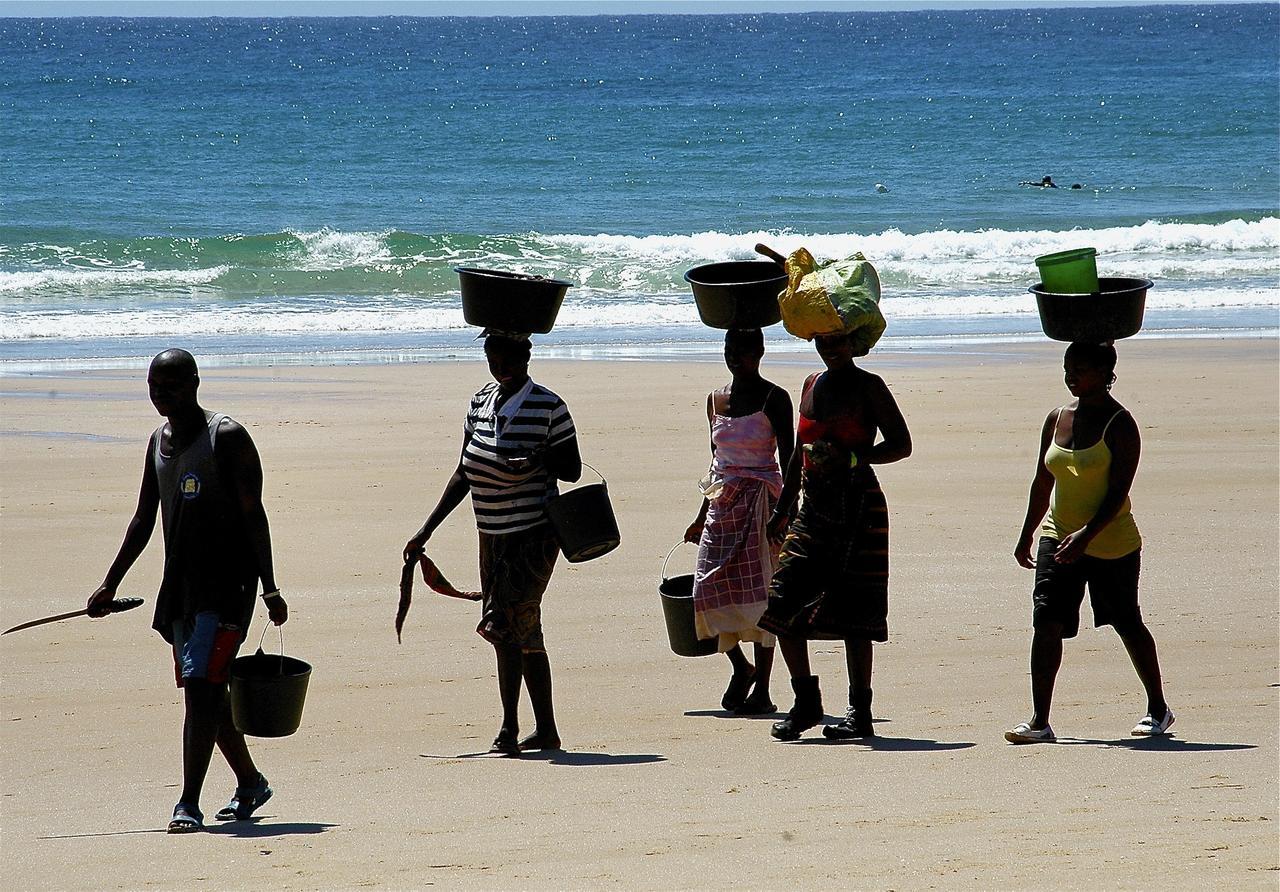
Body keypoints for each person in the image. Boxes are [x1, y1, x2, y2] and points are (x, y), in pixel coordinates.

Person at [87, 348, 288, 833]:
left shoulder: (228, 437)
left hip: (228, 586)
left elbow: (252, 514)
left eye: (171, 386)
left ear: (195, 383)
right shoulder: (158, 442)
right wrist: (108, 583)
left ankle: (188, 803)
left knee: (200, 690)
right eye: (154, 386)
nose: (161, 395)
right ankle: (251, 782)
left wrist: (270, 586)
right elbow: (143, 519)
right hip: (180, 588)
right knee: (209, 694)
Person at [404, 331, 581, 756]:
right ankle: (545, 730)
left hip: (533, 536)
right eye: (492, 356)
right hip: (491, 534)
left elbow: (572, 468)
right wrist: (426, 530)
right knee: (523, 628)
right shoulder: (480, 402)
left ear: (526, 355)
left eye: (508, 357)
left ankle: (509, 727)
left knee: (506, 628)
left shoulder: (549, 407)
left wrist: (537, 459)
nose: (499, 365)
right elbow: (463, 472)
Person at [1006, 342, 1172, 743]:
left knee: (1126, 622)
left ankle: (1158, 708)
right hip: (1058, 534)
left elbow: (1118, 492)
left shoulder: (1121, 424)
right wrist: (1028, 531)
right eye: (1067, 367)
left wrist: (1087, 535)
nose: (1071, 374)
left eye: (1080, 368)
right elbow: (1043, 479)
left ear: (1106, 372)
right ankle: (1039, 721)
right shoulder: (1056, 418)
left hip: (1112, 541)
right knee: (1046, 620)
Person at [758, 330, 912, 740]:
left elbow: (901, 444)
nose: (831, 351)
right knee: (782, 599)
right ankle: (806, 702)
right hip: (814, 508)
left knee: (856, 613)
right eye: (824, 344)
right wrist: (782, 509)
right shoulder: (811, 384)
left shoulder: (869, 386)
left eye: (838, 343)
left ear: (854, 344)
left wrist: (856, 456)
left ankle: (860, 712)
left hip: (859, 506)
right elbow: (797, 452)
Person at [683, 328, 795, 715]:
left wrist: (784, 512)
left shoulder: (774, 398)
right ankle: (740, 666)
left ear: (760, 353)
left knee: (761, 595)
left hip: (763, 502)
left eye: (745, 352)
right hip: (723, 502)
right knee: (708, 589)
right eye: (731, 350)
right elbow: (715, 462)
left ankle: (763, 688)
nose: (736, 358)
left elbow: (792, 460)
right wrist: (700, 516)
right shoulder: (715, 400)